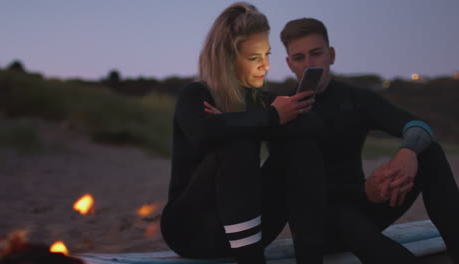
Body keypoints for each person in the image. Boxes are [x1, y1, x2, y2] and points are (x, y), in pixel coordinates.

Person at [279, 17, 459, 264]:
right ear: (289, 64)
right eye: (299, 58)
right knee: (341, 216)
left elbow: (419, 126)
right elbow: (292, 188)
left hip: (366, 203)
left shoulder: (356, 98)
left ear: (331, 55)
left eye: (316, 53)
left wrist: (407, 153)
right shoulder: (283, 110)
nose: (310, 64)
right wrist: (361, 190)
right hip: (320, 222)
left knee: (429, 152)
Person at [161, 3, 327, 264]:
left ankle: (310, 258)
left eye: (267, 55)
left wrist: (238, 120)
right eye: (254, 58)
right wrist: (268, 118)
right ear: (228, 59)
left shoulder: (258, 100)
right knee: (236, 143)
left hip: (248, 228)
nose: (265, 66)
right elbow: (201, 132)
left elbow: (313, 127)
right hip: (191, 230)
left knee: (300, 147)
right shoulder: (195, 94)